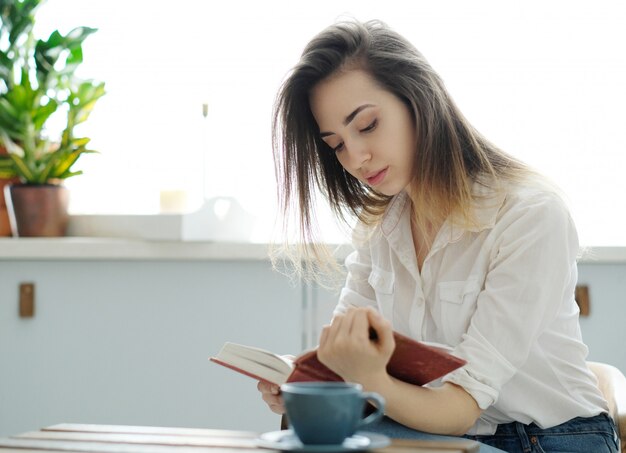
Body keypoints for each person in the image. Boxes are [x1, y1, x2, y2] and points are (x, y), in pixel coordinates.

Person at [258, 19, 619, 453]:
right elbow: (344, 356)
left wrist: (369, 378)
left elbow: (461, 407)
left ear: (418, 100)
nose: (355, 157)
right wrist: (307, 382)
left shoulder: (530, 215)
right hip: (431, 432)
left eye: (368, 125)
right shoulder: (379, 227)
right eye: (336, 144)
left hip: (547, 440)